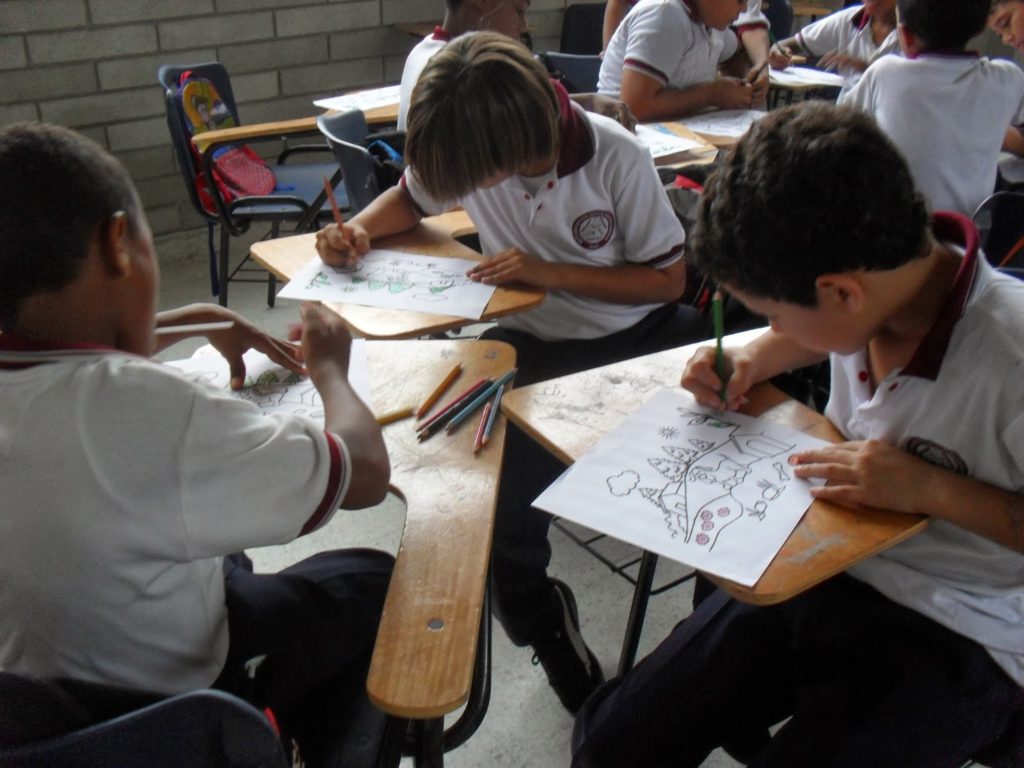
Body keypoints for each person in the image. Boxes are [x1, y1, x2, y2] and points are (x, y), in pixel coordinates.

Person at [572, 102, 1024, 767]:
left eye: (771, 314)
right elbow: (815, 332)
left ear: (841, 292)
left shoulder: (1011, 356)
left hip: (963, 624)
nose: (772, 327)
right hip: (825, 563)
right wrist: (752, 356)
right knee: (610, 742)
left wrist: (930, 488)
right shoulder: (877, 280)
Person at [315, 31, 709, 713]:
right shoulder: (477, 140)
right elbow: (410, 197)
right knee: (477, 506)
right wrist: (359, 233)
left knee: (513, 485)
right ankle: (544, 624)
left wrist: (549, 273)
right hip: (528, 341)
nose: (461, 192)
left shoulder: (613, 156)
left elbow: (668, 281)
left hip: (634, 342)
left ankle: (579, 629)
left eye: (471, 181)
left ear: (513, 148)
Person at [0, 123, 394, 768]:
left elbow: (57, 358)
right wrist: (330, 370)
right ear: (118, 244)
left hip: (46, 716)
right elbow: (367, 475)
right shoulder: (151, 409)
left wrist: (190, 321)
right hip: (174, 715)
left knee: (226, 553)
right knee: (377, 588)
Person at [839, 0, 1024, 216]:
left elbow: (839, 124)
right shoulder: (1007, 78)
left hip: (894, 227)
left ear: (905, 36)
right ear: (983, 24)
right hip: (967, 230)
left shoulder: (884, 73)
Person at [396, 0, 634, 131]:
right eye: (518, 12)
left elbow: (529, 102)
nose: (523, 26)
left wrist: (590, 101)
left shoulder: (424, 50)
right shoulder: (465, 72)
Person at [597, 0, 763, 122]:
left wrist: (749, 81)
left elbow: (736, 54)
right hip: (626, 136)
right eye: (739, 0)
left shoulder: (711, 21)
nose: (744, 9)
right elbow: (634, 107)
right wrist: (713, 94)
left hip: (675, 134)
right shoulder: (664, 14)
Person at [769, 0, 899, 96]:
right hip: (849, 115)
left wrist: (866, 68)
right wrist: (778, 52)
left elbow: (905, 85)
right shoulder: (850, 19)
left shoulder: (908, 32)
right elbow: (787, 44)